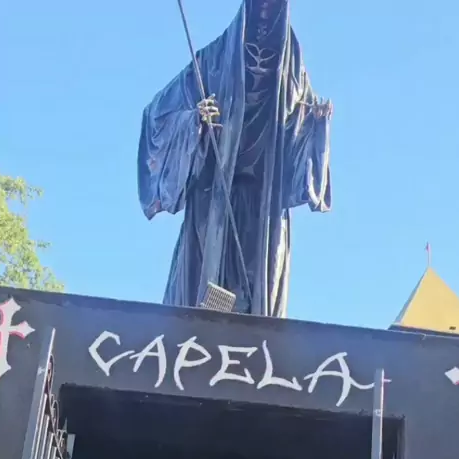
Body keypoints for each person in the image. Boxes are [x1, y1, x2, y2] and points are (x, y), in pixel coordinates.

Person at [138, 0, 332, 317]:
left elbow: (297, 159)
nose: (264, 14)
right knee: (201, 298)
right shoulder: (211, 62)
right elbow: (156, 118)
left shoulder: (293, 73)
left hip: (262, 211)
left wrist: (316, 125)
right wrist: (195, 122)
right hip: (213, 203)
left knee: (257, 303)